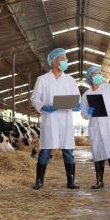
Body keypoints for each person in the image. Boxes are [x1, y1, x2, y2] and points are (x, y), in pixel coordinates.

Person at [30, 48, 81, 190]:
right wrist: (43, 106)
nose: (66, 61)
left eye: (66, 58)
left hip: (65, 119)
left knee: (68, 151)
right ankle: (39, 181)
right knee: (45, 151)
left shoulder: (70, 80)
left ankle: (71, 181)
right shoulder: (42, 79)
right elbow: (34, 98)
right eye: (62, 59)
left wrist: (78, 105)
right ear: (54, 62)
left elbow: (77, 98)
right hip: (50, 119)